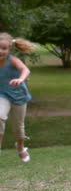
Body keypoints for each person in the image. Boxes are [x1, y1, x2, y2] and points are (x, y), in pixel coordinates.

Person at [0, 33, 36, 162]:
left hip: (18, 96)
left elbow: (25, 70)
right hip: (2, 95)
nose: (0, 51)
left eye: (3, 48)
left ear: (9, 49)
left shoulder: (12, 60)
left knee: (18, 128)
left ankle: (20, 147)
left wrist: (20, 79)